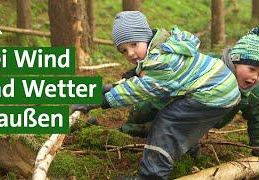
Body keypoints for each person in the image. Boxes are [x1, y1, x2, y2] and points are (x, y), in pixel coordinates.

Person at [72, 11, 241, 179]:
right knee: (181, 115)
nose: (130, 53)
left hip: (213, 92)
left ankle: (151, 176)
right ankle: (189, 150)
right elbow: (141, 81)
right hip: (221, 89)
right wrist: (109, 88)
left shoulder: (161, 61)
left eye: (134, 44)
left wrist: (102, 100)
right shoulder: (165, 47)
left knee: (166, 123)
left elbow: (138, 90)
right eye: (123, 50)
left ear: (146, 38)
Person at [120, 27, 259, 170]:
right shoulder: (210, 65)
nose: (255, 77)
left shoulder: (253, 92)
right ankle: (128, 129)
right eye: (252, 69)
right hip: (174, 98)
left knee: (176, 129)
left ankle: (184, 148)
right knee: (145, 113)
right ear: (234, 61)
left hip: (200, 117)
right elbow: (175, 64)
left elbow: (257, 117)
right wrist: (138, 71)